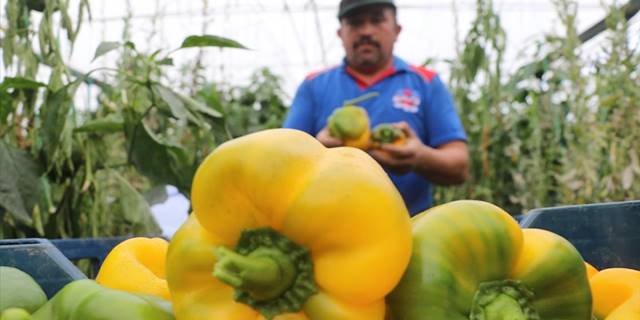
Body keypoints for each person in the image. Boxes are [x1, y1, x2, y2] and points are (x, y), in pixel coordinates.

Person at [283, 0, 469, 216]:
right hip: (326, 226)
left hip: (408, 226)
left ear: (396, 30)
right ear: (340, 34)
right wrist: (319, 148)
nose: (366, 31)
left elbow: (459, 166)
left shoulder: (425, 82)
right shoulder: (314, 85)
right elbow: (285, 161)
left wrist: (419, 157)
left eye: (377, 20)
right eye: (355, 23)